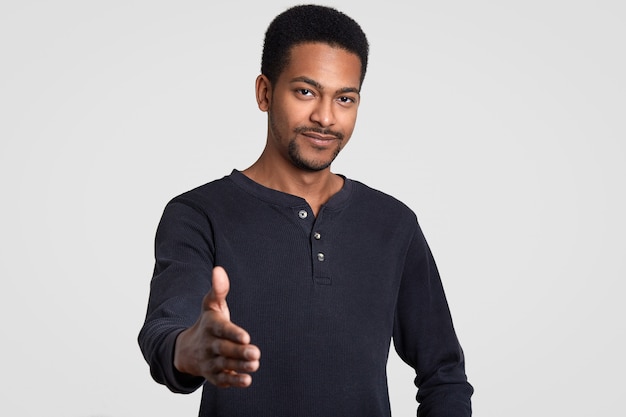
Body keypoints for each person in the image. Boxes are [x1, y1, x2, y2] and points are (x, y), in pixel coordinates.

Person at [138, 4, 473, 416]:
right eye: (306, 91)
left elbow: (444, 374)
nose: (325, 117)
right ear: (264, 92)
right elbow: (163, 332)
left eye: (344, 98)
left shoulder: (393, 224)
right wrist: (189, 350)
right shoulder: (198, 214)